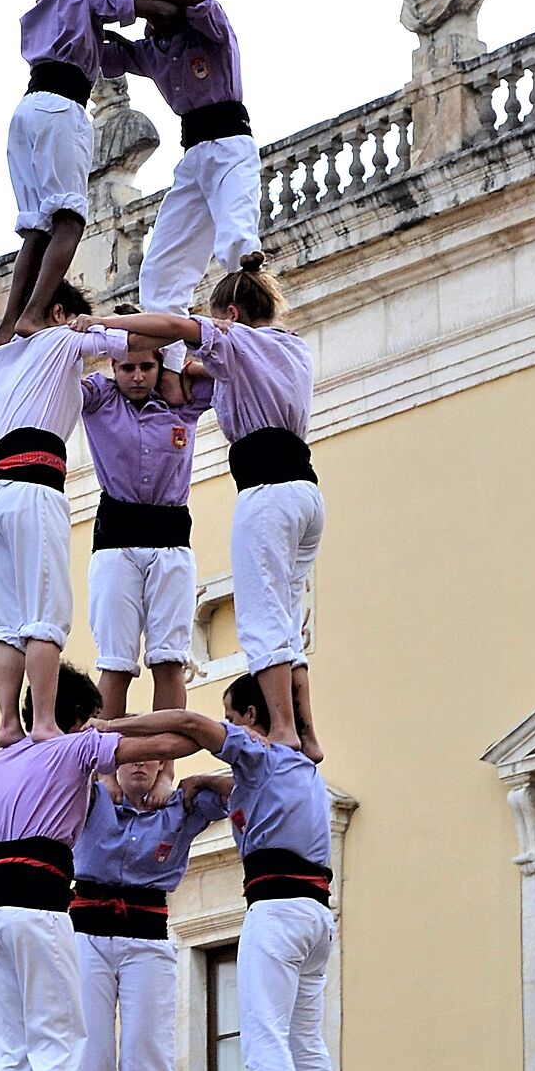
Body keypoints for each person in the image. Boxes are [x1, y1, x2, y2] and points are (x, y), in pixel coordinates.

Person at [94, 677, 342, 1071]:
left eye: (232, 718)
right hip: (317, 915)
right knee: (307, 1049)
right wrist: (207, 783)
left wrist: (110, 728)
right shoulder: (302, 772)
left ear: (251, 716)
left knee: (263, 1040)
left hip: (277, 910)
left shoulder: (262, 754)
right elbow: (240, 789)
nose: (228, 728)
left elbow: (188, 724)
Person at [0, 664, 195, 1071]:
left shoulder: (1, 755)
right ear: (80, 720)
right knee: (66, 1045)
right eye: (94, 718)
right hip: (38, 905)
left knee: (8, 1051)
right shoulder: (73, 749)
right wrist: (117, 733)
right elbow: (180, 741)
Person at [94, 273, 320, 754]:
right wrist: (193, 372)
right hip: (306, 492)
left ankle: (281, 728)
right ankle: (306, 728)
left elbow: (175, 326)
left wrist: (105, 323)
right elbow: (210, 376)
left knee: (261, 619)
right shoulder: (294, 348)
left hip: (267, 490)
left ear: (231, 316)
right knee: (287, 612)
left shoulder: (236, 340)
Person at [66, 765, 229, 1071]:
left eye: (151, 757)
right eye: (131, 756)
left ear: (162, 766)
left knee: (148, 1053)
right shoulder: (91, 797)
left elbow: (249, 789)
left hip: (147, 935)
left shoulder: (179, 806)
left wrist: (199, 780)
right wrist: (101, 774)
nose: (139, 764)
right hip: (87, 933)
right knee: (90, 1052)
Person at [0, 295, 129, 744]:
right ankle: (43, 721)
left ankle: (8, 723)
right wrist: (95, 322)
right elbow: (126, 343)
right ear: (61, 313)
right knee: (46, 616)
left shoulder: (3, 358)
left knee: (7, 621)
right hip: (35, 487)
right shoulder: (59, 339)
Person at [101, 0, 261, 372]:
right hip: (192, 156)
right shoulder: (152, 49)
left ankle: (258, 334)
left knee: (238, 240)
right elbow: (106, 52)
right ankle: (171, 370)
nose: (151, 18)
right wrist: (98, 1)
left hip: (229, 142)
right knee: (160, 271)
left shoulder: (208, 30)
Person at [78, 329, 211, 723]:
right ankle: (104, 768)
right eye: (128, 367)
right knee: (116, 662)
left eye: (147, 367)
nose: (137, 376)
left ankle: (163, 766)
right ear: (113, 366)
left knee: (169, 659)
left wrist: (177, 368)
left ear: (159, 366)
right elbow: (65, 382)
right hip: (116, 539)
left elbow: (225, 371)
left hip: (170, 537)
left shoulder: (182, 402)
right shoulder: (101, 399)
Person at [0, 0, 140, 355]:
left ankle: (8, 323)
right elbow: (140, 0)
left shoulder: (49, 0)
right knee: (70, 221)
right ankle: (31, 314)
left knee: (36, 228)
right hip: (61, 109)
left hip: (27, 110)